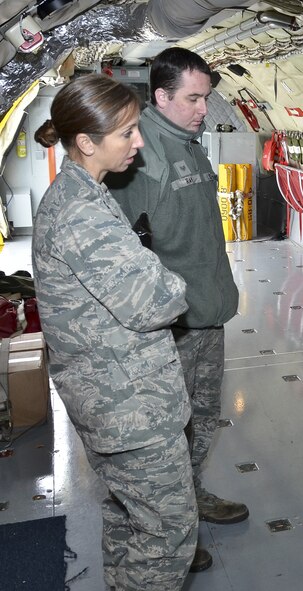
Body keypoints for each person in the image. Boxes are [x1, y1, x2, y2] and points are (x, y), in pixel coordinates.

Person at [31, 74, 197, 590]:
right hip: (128, 407)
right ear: (86, 142)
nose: (139, 142)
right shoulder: (83, 213)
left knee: (129, 519)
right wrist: (170, 278)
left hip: (113, 398)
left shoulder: (84, 192)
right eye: (127, 133)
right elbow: (158, 301)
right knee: (167, 531)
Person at [107, 47, 243, 572]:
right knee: (165, 432)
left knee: (203, 418)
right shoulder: (142, 155)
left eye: (205, 98)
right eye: (193, 99)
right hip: (171, 325)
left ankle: (191, 497)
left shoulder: (188, 145)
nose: (203, 109)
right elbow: (126, 248)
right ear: (161, 97)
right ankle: (171, 533)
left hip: (207, 311)